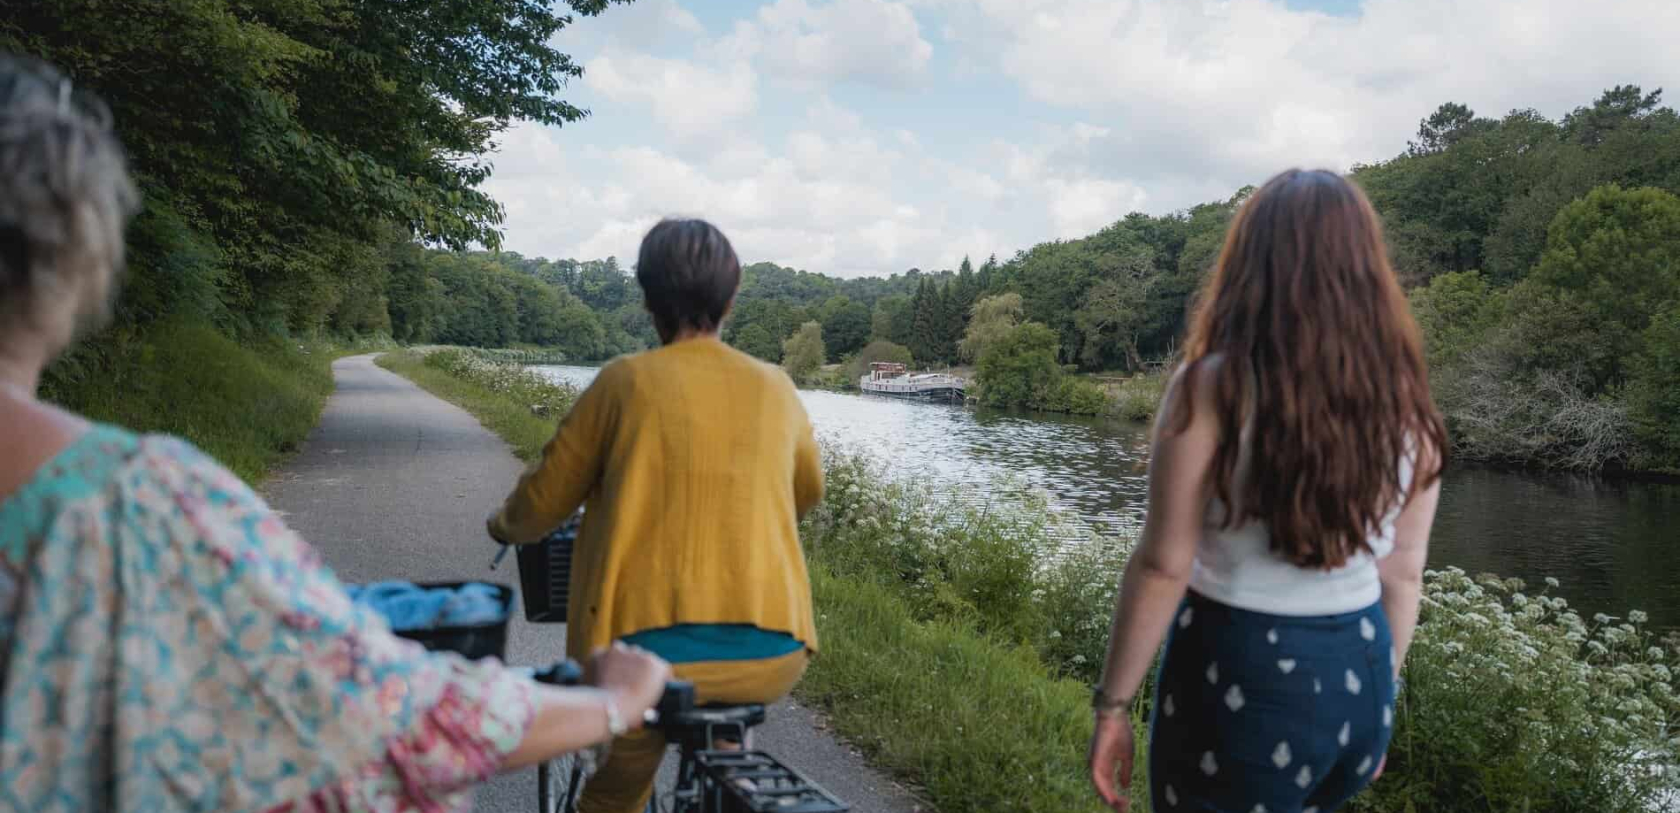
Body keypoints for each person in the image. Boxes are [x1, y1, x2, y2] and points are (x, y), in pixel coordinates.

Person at [0, 54, 672, 811]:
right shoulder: (137, 508)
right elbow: (386, 715)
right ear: (68, 256)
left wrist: (513, 523)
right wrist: (612, 703)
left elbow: (550, 485)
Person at [1086, 169, 1447, 813]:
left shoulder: (1213, 387)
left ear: (1250, 265)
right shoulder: (1408, 405)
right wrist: (1379, 703)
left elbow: (1165, 565)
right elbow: (1402, 573)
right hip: (1361, 671)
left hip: (1240, 675)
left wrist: (1113, 706)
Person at [488, 217, 823, 813]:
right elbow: (807, 491)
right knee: (727, 755)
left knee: (615, 791)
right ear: (732, 297)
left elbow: (542, 504)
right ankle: (729, 775)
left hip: (644, 658)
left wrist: (503, 526)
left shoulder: (625, 383)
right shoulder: (776, 387)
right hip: (773, 652)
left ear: (647, 300)